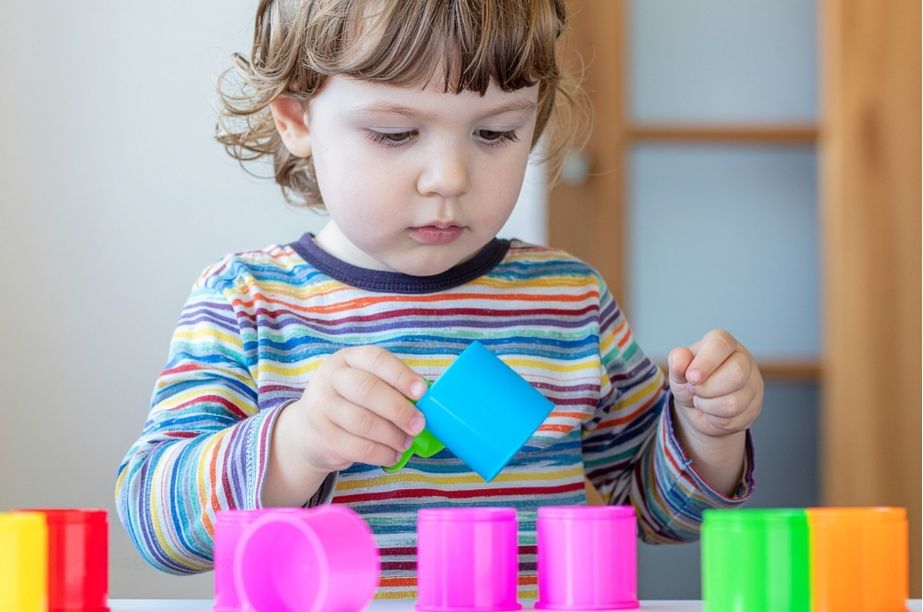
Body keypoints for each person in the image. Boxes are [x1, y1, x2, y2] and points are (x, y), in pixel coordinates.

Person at [115, 0, 763, 599]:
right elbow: (155, 526)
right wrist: (297, 443)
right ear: (297, 120)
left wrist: (708, 432)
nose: (449, 178)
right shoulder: (248, 303)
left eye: (495, 133)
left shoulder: (570, 301)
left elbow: (662, 514)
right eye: (396, 133)